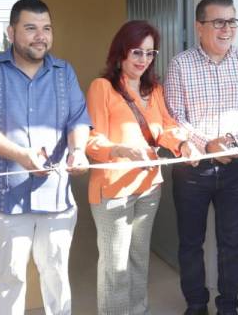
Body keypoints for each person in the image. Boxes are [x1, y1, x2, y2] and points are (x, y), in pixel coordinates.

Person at [0, 0, 91, 315]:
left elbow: (79, 119)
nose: (40, 36)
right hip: (7, 200)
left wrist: (78, 150)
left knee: (57, 276)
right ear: (11, 32)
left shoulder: (64, 72)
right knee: (12, 278)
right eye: (31, 28)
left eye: (46, 28)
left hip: (57, 196)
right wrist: (21, 155)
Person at [165, 0, 238, 315]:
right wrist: (206, 143)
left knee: (232, 244)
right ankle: (197, 305)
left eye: (231, 21)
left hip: (237, 170)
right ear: (200, 26)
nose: (226, 29)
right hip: (193, 170)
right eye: (218, 22)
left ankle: (228, 305)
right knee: (190, 243)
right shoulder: (181, 64)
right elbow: (174, 116)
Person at [85, 20, 199, 314]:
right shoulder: (103, 87)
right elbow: (91, 140)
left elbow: (168, 128)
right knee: (115, 266)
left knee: (138, 258)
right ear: (120, 52)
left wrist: (183, 145)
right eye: (137, 52)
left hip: (149, 187)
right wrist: (120, 150)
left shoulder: (155, 89)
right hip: (113, 191)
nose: (143, 60)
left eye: (150, 53)